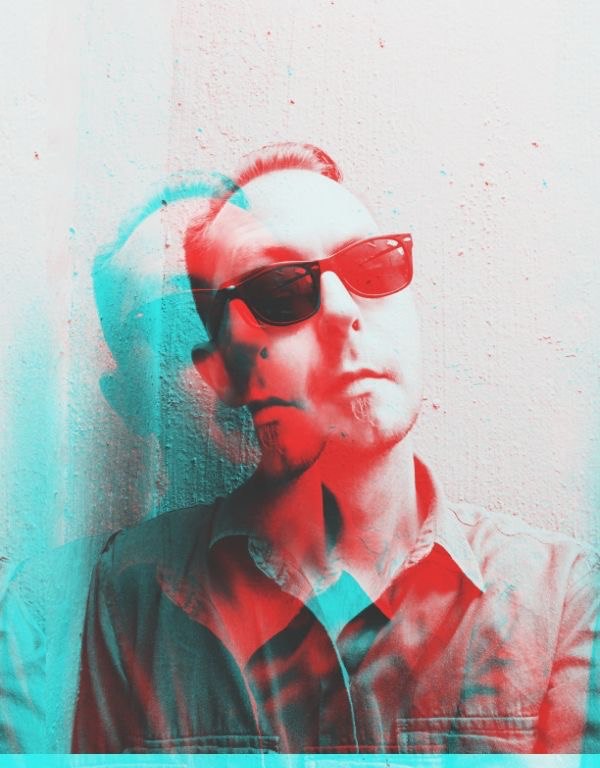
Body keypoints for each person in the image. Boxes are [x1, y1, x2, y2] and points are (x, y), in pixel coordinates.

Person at [72, 142, 600, 754]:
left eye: (372, 266)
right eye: (280, 290)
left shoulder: (559, 595)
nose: (344, 311)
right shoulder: (131, 596)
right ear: (224, 370)